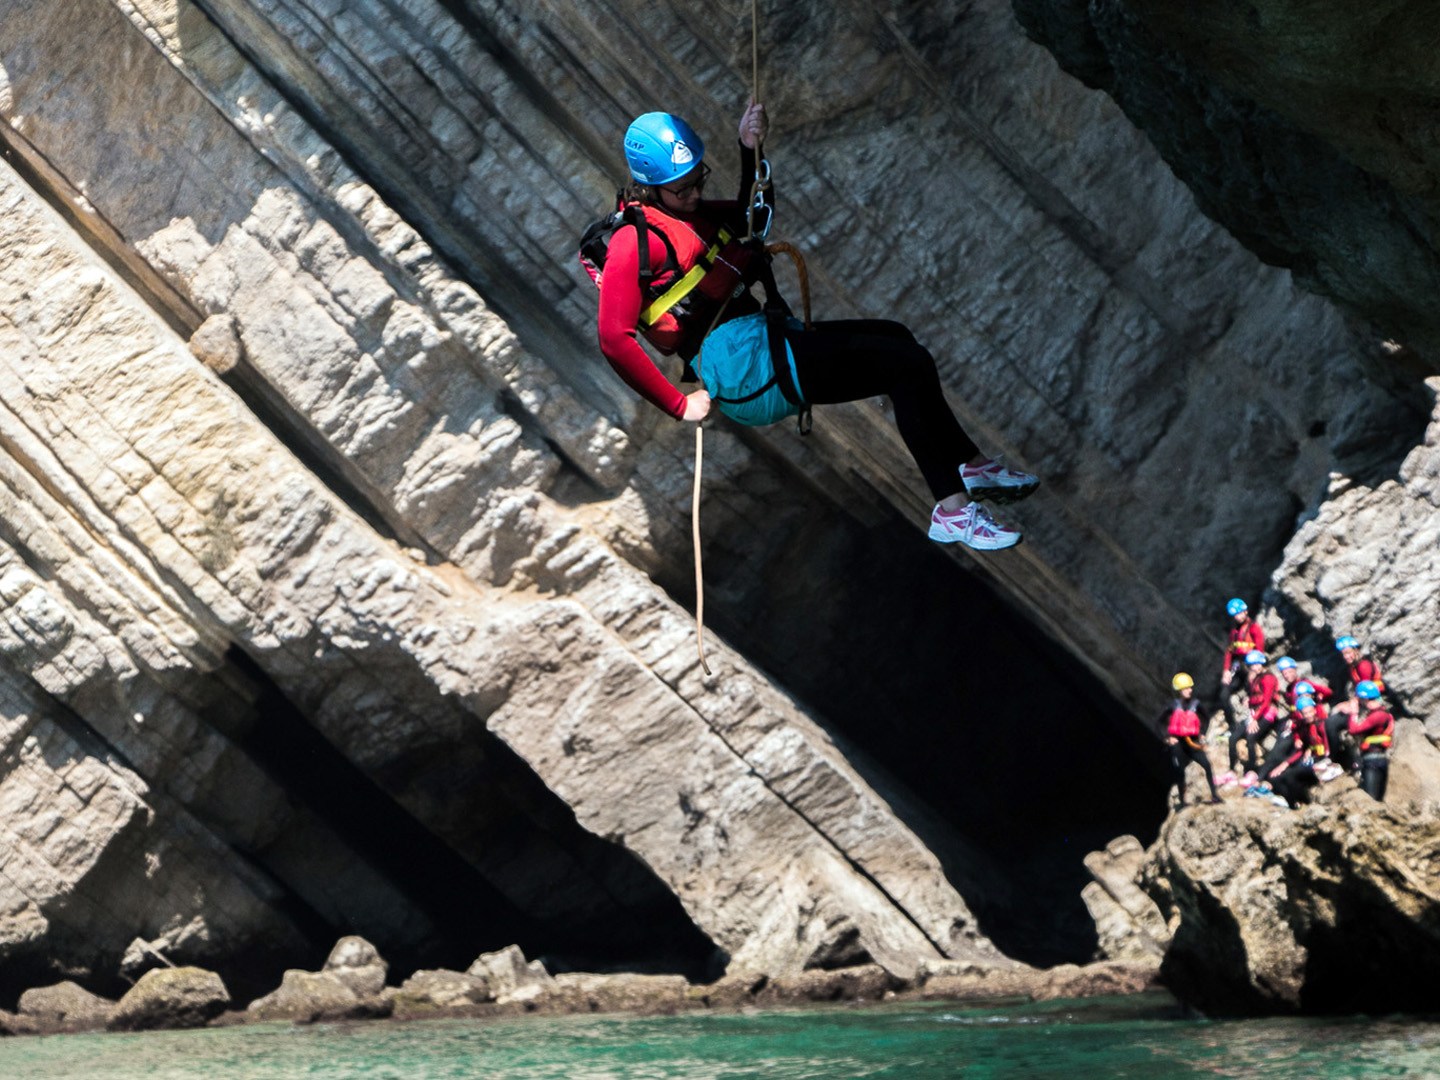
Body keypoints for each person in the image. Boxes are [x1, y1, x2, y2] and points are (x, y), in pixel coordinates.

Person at [594, 106, 1038, 551]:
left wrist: (748, 149)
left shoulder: (685, 213)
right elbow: (614, 337)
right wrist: (676, 404)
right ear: (649, 187)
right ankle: (953, 509)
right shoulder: (635, 242)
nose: (693, 194)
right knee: (903, 365)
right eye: (681, 189)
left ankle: (971, 465)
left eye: (698, 180)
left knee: (897, 337)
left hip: (759, 342)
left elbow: (753, 213)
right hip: (743, 370)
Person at [1158, 673, 1221, 806]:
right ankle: (1182, 802)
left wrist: (1202, 733)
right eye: (1186, 688)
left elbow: (1206, 718)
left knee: (1207, 766)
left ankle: (1215, 796)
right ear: (1179, 691)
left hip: (1192, 742)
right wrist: (1167, 738)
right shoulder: (1173, 705)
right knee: (1180, 771)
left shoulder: (1196, 704)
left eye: (1190, 688)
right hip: (1178, 743)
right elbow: (1160, 723)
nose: (1189, 690)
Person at [1231, 650, 1280, 784]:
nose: (1255, 667)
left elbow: (1266, 700)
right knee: (1234, 737)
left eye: (1257, 664)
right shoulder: (1257, 677)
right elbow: (1255, 697)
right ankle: (1232, 770)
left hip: (1267, 712)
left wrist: (1255, 719)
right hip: (1257, 712)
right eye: (1252, 665)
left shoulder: (1268, 678)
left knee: (1250, 738)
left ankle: (1252, 772)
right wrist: (1249, 700)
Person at [1347, 680, 1395, 801]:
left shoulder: (1377, 715)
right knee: (1378, 799)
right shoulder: (1384, 712)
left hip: (1372, 761)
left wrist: (1354, 713)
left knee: (1370, 798)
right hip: (1381, 758)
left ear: (1364, 699)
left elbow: (1354, 730)